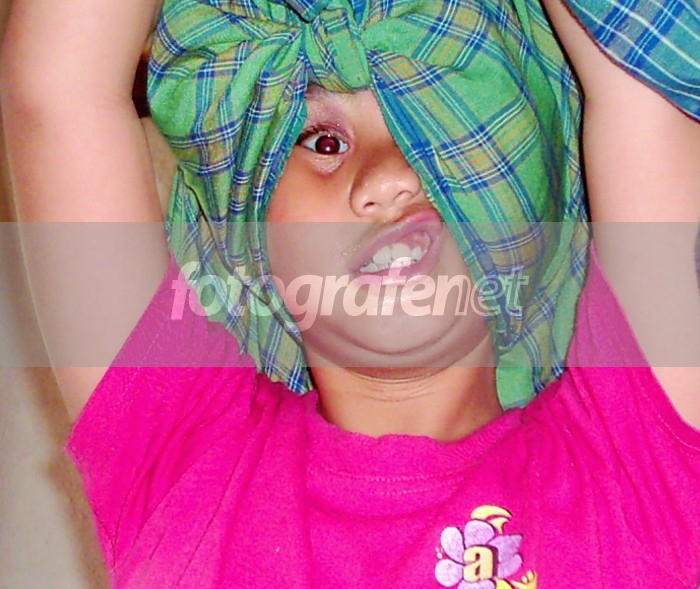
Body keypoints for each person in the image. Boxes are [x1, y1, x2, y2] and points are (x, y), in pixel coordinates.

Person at [1, 0, 699, 587]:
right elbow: (56, 93)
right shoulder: (186, 461)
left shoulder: (639, 464)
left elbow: (640, 87)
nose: (390, 179)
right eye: (324, 142)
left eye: (434, 134)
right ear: (255, 245)